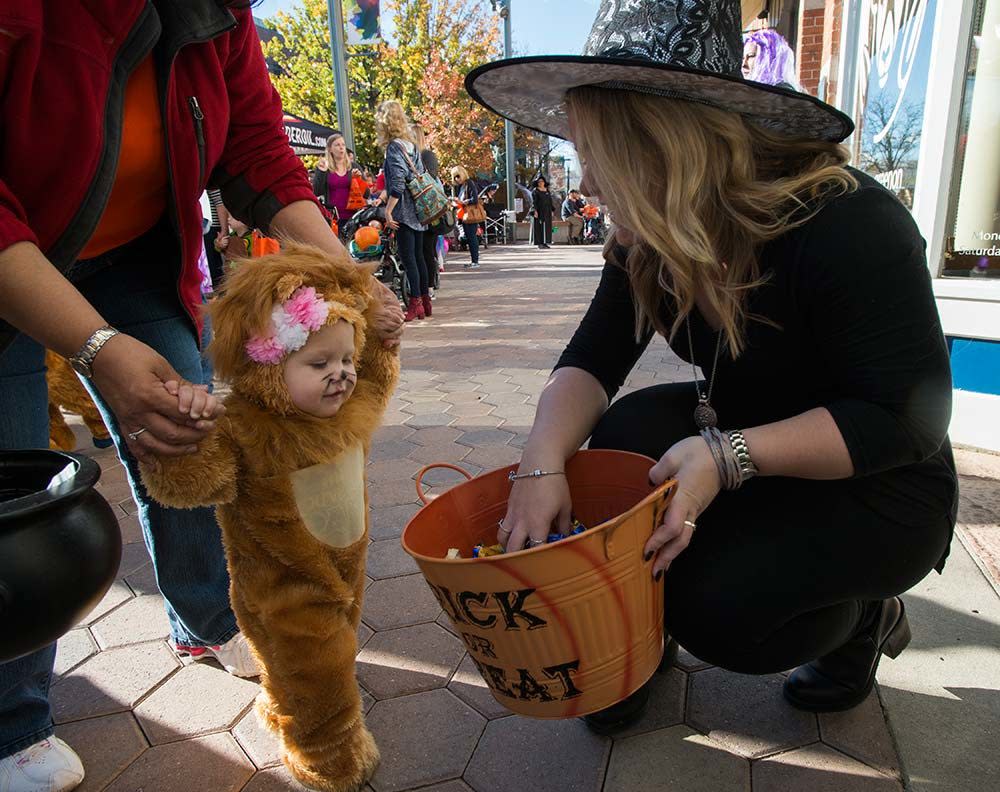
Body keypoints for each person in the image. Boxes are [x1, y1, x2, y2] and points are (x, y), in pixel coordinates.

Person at [467, 0, 956, 735]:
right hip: (750, 435)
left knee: (723, 611)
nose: (589, 184)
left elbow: (905, 419)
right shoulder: (650, 237)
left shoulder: (850, 224)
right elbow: (595, 358)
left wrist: (727, 457)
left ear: (660, 145)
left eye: (596, 151)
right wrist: (540, 464)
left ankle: (863, 618)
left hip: (878, 478)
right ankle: (636, 639)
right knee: (625, 433)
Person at [0, 4, 403, 790]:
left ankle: (205, 621)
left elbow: (257, 148)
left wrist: (350, 281)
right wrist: (96, 347)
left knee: (182, 424)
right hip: (14, 257)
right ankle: (13, 717)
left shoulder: (220, 14)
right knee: (17, 495)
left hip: (133, 260)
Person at [141, 246, 397, 792]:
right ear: (268, 369)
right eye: (319, 364)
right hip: (281, 583)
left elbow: (376, 380)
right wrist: (176, 438)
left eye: (346, 360)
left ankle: (283, 702)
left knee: (321, 653)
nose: (341, 376)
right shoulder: (242, 429)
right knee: (317, 665)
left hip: (341, 570)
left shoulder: (347, 411)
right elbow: (186, 488)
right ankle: (325, 755)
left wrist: (386, 340)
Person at [378, 100, 431, 321]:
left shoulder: (394, 148)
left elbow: (398, 184)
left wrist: (388, 211)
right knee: (419, 257)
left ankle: (415, 303)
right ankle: (425, 302)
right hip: (419, 210)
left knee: (409, 258)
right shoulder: (411, 145)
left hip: (404, 212)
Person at [311, 132, 367, 234]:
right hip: (334, 218)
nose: (341, 148)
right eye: (337, 145)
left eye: (343, 145)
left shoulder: (354, 166)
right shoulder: (325, 167)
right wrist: (321, 173)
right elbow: (317, 192)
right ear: (330, 149)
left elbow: (367, 194)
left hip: (354, 217)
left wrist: (359, 180)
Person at [414, 124, 441, 298]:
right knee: (421, 250)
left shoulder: (426, 155)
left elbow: (429, 179)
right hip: (416, 210)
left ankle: (429, 286)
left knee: (427, 250)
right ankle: (425, 285)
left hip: (428, 208)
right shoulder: (409, 156)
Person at [451, 166, 483, 268]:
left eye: (458, 176)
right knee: (469, 238)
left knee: (471, 237)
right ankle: (474, 260)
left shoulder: (469, 183)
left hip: (470, 214)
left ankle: (475, 261)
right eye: (455, 177)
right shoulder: (462, 186)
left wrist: (462, 202)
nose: (457, 179)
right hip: (464, 214)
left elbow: (475, 199)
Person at [530, 177, 554, 248]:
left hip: (547, 211)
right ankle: (539, 243)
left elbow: (550, 201)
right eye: (539, 182)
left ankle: (545, 242)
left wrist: (552, 210)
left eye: (542, 181)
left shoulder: (547, 190)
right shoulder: (535, 191)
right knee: (539, 227)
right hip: (539, 211)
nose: (541, 183)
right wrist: (535, 211)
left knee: (546, 227)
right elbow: (533, 202)